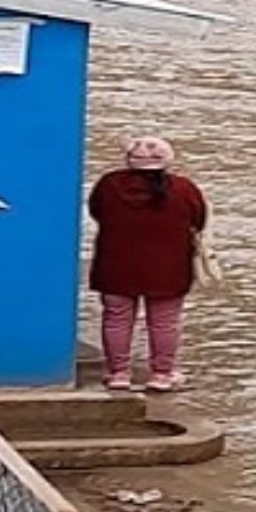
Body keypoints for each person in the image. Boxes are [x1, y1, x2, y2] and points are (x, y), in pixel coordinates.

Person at [88, 137, 210, 393]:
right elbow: (198, 220)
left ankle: (119, 374)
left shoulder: (109, 185)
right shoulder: (183, 188)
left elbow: (96, 211)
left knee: (116, 319)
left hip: (115, 264)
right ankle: (162, 375)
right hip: (168, 268)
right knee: (165, 322)